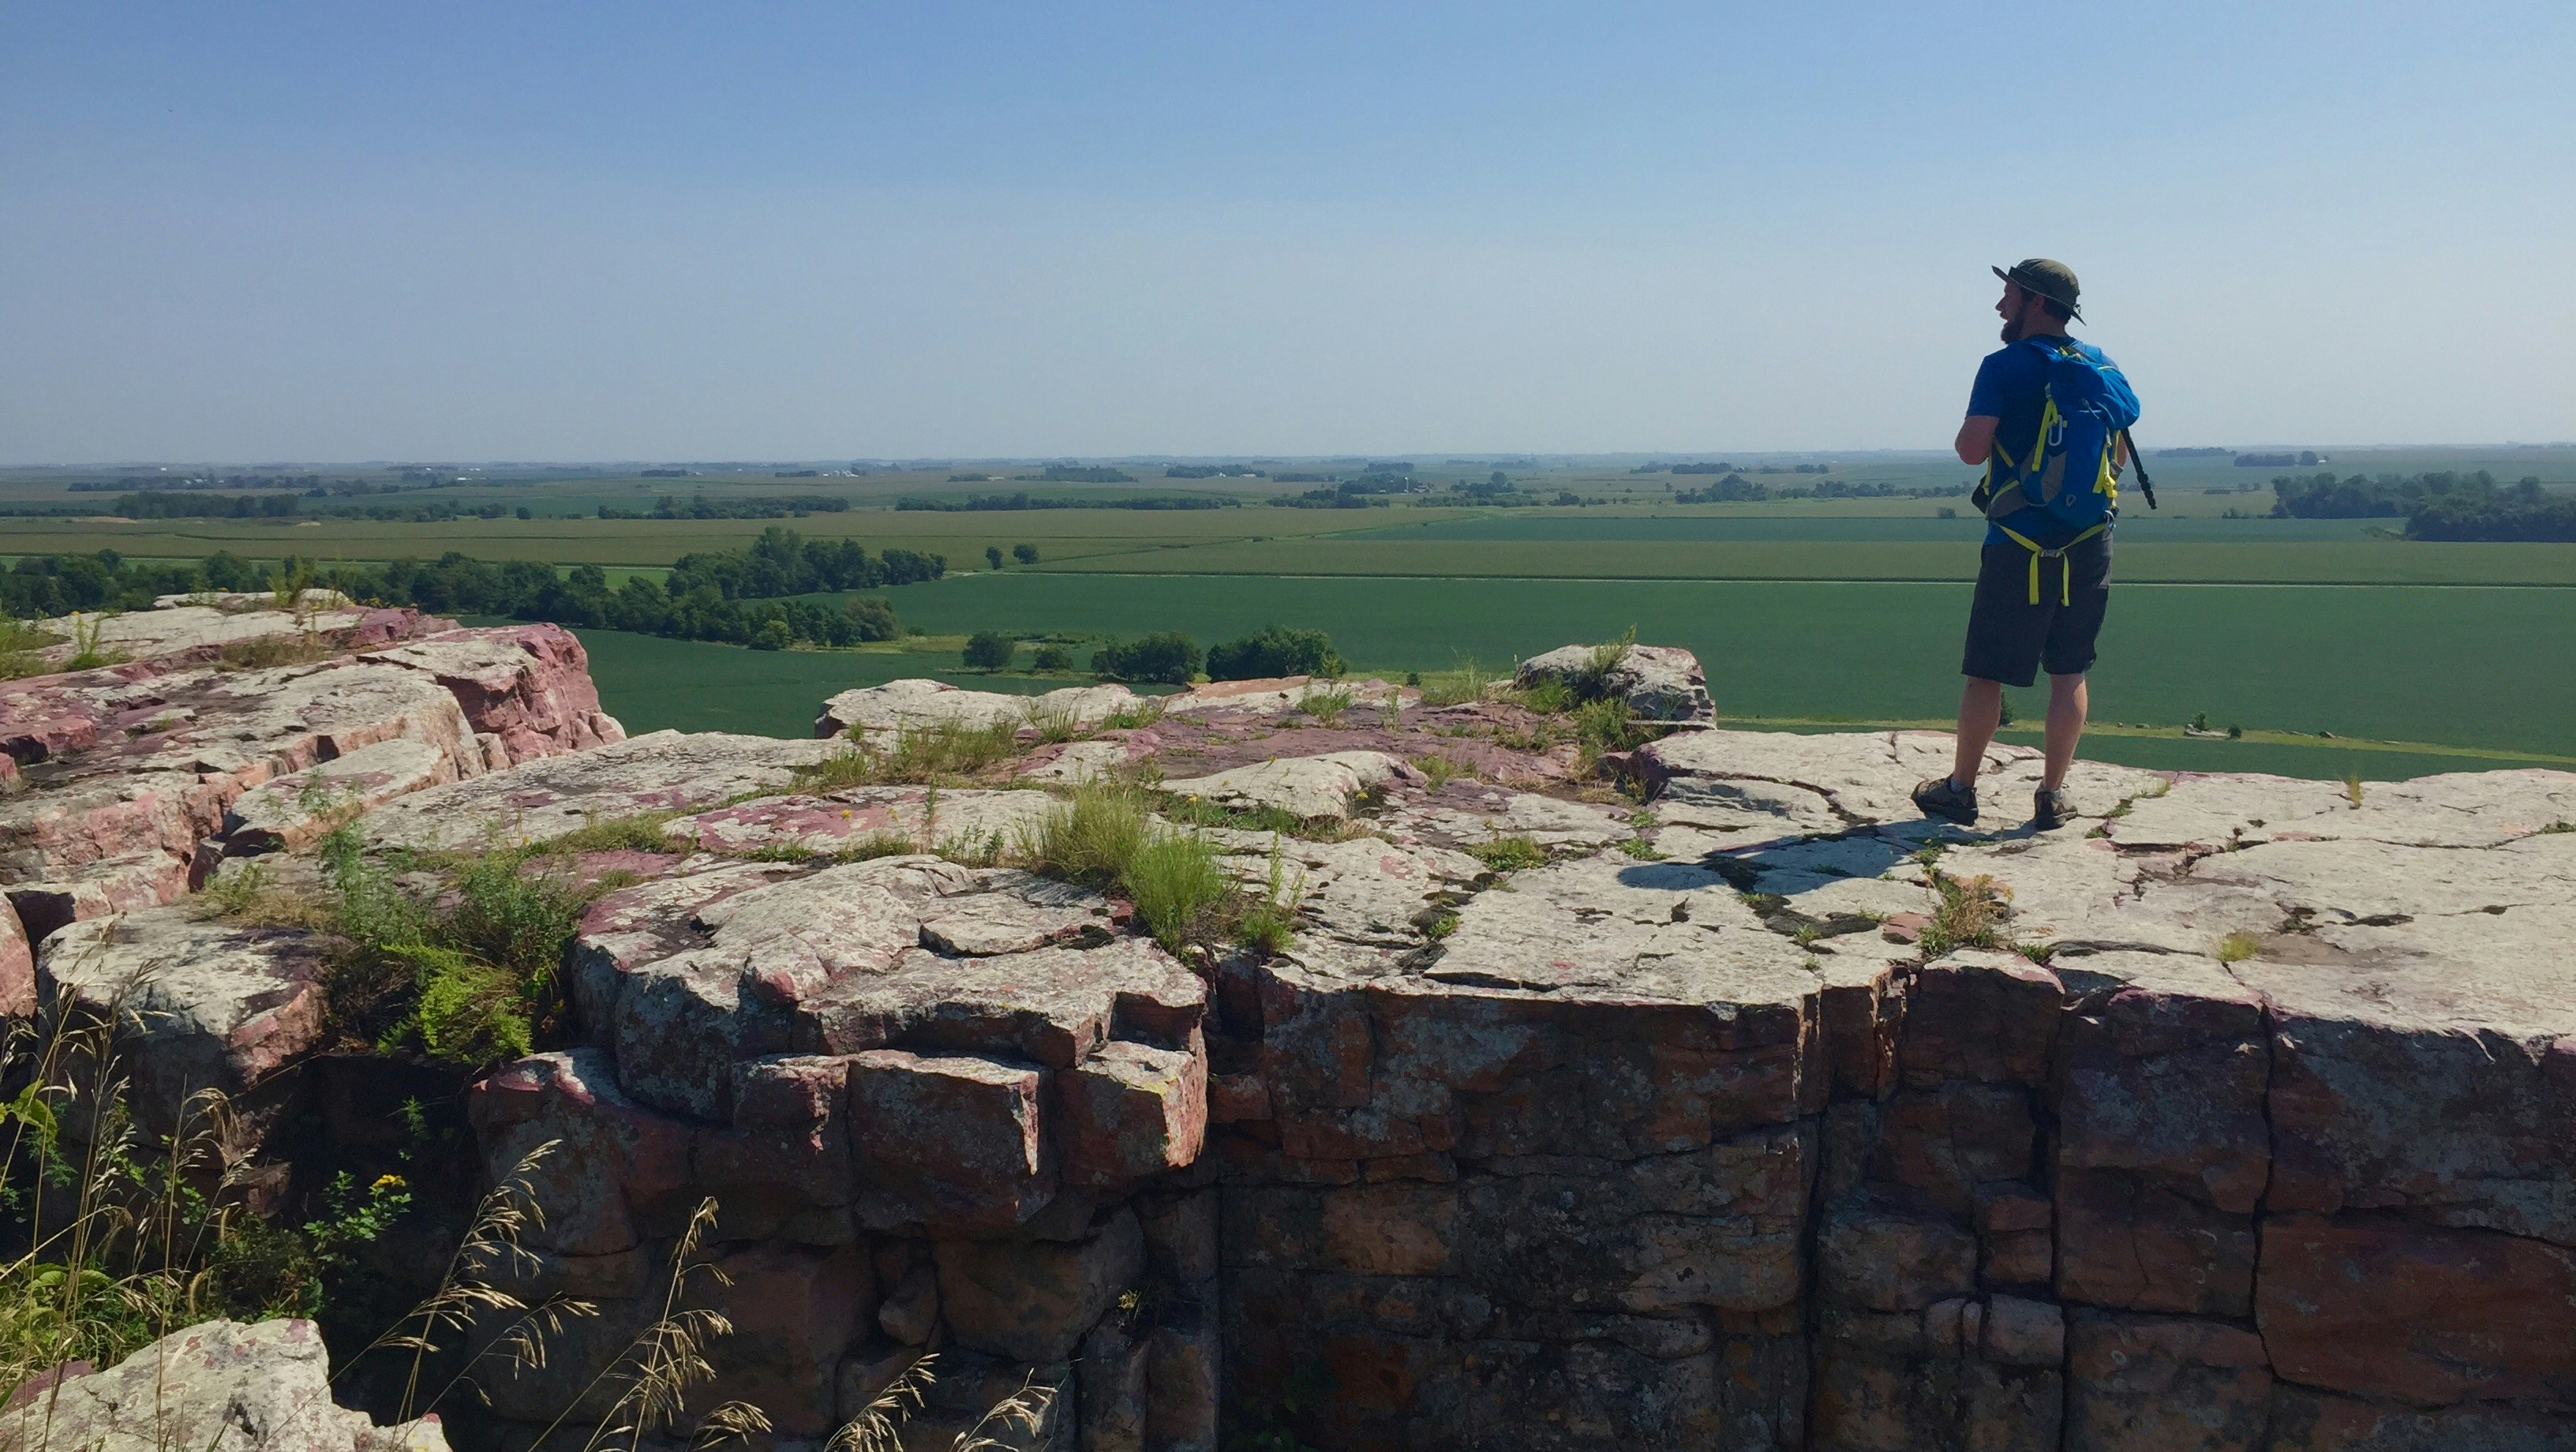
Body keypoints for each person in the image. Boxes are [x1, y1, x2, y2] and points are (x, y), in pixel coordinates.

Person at [1913, 259, 2136, 831]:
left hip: (2017, 542)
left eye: (2008, 294)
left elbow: (1970, 450)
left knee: (1987, 674)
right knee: (2070, 672)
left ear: (2035, 301)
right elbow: (2115, 457)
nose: (2000, 306)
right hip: (2089, 541)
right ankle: (2053, 795)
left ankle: (1960, 791)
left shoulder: (2002, 366)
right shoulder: (2101, 365)